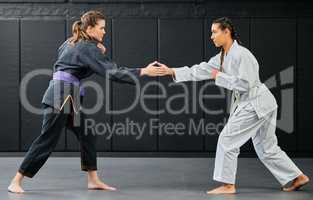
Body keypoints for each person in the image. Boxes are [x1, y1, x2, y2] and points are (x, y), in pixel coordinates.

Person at [8, 10, 161, 194]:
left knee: (88, 132)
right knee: (47, 139)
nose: (105, 32)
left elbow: (68, 57)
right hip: (62, 97)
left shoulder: (71, 42)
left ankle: (93, 180)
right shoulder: (86, 47)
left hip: (68, 95)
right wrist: (143, 71)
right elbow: (112, 72)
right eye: (102, 28)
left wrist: (95, 47)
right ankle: (16, 181)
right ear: (89, 28)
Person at [154, 17, 310, 194]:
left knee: (227, 140)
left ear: (226, 31)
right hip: (260, 103)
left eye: (214, 32)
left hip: (255, 102)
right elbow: (201, 70)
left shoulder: (242, 54)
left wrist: (218, 76)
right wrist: (172, 71)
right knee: (267, 148)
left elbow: (246, 84)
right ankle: (298, 177)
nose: (211, 36)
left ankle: (228, 185)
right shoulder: (222, 56)